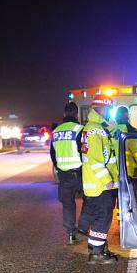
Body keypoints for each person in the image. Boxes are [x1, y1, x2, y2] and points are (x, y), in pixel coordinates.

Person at [81, 94, 120, 264]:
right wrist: (107, 180)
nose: (110, 112)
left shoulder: (95, 127)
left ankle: (98, 248)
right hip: (100, 184)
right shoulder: (95, 130)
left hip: (96, 183)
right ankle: (96, 254)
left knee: (100, 216)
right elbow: (97, 159)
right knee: (102, 218)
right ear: (103, 108)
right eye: (109, 108)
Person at [50, 102, 85, 245]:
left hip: (63, 175)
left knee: (68, 204)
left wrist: (59, 167)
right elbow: (84, 151)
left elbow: (52, 154)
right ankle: (82, 227)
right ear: (76, 114)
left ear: (64, 114)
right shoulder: (79, 129)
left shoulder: (56, 131)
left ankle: (71, 233)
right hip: (80, 173)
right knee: (89, 201)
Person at [114, 105, 137, 178]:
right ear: (127, 116)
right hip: (128, 171)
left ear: (116, 118)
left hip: (116, 170)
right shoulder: (130, 131)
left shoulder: (113, 131)